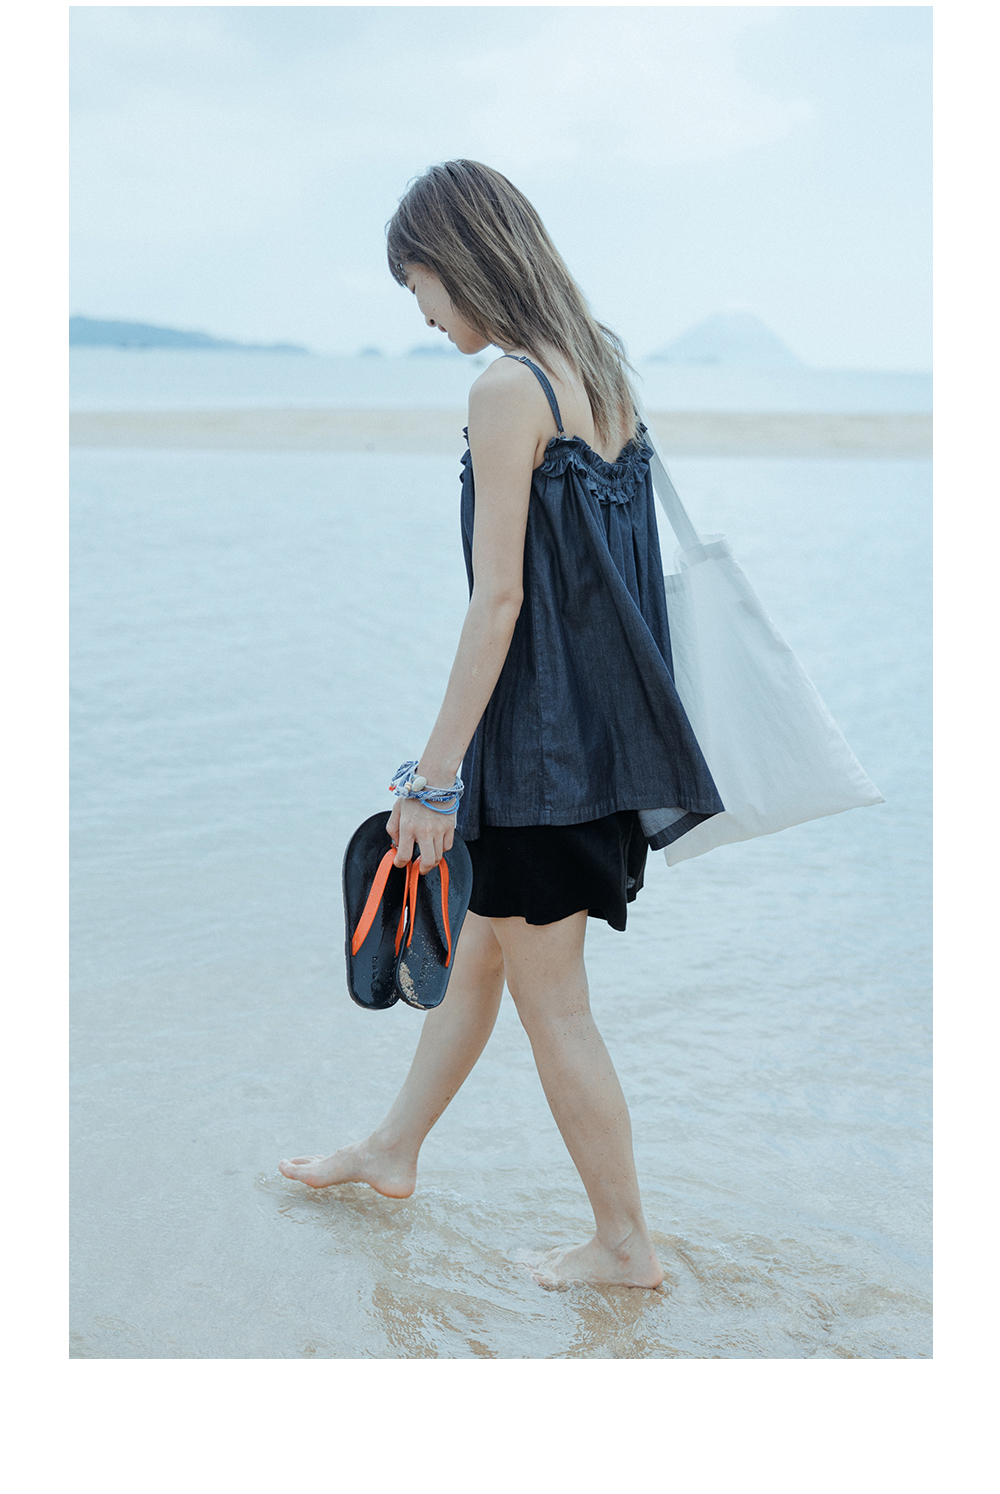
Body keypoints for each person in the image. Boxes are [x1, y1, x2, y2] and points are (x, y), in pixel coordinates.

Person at [280, 160, 723, 1289]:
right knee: (478, 951)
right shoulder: (599, 371)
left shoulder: (506, 390)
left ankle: (623, 1245)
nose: (424, 314)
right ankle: (392, 1150)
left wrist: (432, 782)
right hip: (600, 746)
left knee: (553, 1003)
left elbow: (500, 602)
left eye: (418, 285)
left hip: (539, 760)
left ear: (461, 260)